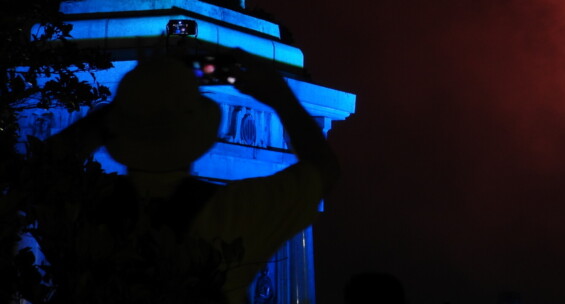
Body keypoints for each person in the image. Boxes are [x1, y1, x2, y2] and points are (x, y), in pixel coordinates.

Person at [32, 53, 339, 303]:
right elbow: (324, 169)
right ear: (196, 133)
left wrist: (131, 105)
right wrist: (279, 95)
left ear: (117, 130)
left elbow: (38, 171)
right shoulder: (232, 212)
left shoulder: (79, 209)